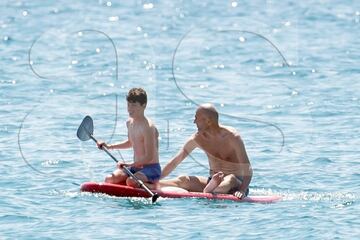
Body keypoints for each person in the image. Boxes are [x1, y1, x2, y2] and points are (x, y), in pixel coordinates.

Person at [160, 103, 252, 199]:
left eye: (196, 118)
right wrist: (154, 179)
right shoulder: (197, 138)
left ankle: (211, 189)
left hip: (236, 184)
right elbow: (175, 161)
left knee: (230, 179)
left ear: (208, 121)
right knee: (184, 180)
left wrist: (242, 190)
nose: (194, 121)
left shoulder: (233, 137)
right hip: (212, 181)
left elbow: (247, 168)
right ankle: (154, 184)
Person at [97, 88, 161, 190]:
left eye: (134, 105)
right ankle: (131, 182)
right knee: (109, 179)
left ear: (144, 105)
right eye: (128, 105)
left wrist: (129, 164)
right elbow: (131, 142)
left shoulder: (148, 127)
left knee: (130, 182)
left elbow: (149, 157)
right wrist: (109, 146)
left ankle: (153, 186)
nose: (130, 108)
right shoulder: (129, 123)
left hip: (151, 168)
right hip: (135, 167)